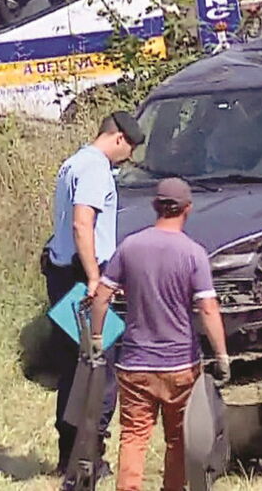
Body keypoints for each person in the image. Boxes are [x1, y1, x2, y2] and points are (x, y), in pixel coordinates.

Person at [90, 177, 231, 491]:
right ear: (187, 209)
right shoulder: (193, 254)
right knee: (178, 439)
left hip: (135, 363)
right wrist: (221, 356)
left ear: (155, 206)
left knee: (133, 436)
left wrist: (97, 338)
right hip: (180, 364)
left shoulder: (130, 246)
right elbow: (208, 309)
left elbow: (101, 296)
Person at [41, 111, 145, 477]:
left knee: (76, 367)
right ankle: (89, 458)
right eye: (128, 149)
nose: (128, 157)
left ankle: (69, 454)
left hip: (61, 271)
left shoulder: (72, 163)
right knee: (100, 368)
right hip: (80, 277)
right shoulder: (95, 168)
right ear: (117, 138)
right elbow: (82, 223)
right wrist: (94, 278)